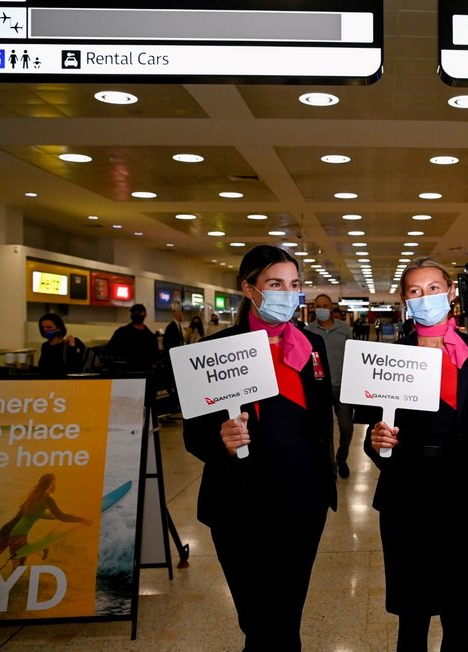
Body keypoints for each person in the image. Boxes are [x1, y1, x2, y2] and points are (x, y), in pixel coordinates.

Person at [360, 257, 468, 652]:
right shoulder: (391, 359)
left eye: (433, 288)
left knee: (458, 613)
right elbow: (373, 438)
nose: (425, 297)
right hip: (406, 496)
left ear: (450, 293)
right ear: (405, 301)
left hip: (462, 494)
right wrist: (379, 443)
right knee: (412, 616)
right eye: (415, 291)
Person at [182, 244, 336, 651]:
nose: (287, 292)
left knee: (287, 613)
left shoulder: (312, 347)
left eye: (294, 284)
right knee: (257, 618)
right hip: (240, 506)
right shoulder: (215, 352)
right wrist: (222, 442)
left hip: (303, 503)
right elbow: (193, 435)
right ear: (249, 288)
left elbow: (321, 423)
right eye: (275, 283)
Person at [0, 473, 91, 571]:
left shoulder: (32, 497)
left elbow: (39, 515)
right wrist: (82, 519)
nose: (55, 485)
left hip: (5, 530)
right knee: (17, 571)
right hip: (17, 537)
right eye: (54, 483)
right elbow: (62, 516)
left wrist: (43, 543)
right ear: (50, 485)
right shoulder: (48, 500)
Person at [305, 294, 356, 478]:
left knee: (346, 428)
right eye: (318, 305)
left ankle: (341, 458)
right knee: (326, 430)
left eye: (325, 305)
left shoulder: (344, 329)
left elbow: (355, 354)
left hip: (344, 387)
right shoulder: (308, 331)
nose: (322, 308)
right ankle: (331, 465)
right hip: (320, 389)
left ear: (331, 307)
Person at [102, 304, 160, 373]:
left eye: (139, 312)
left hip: (139, 373)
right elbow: (110, 351)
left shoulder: (150, 337)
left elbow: (154, 358)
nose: (136, 314)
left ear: (145, 314)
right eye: (134, 312)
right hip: (125, 372)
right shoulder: (150, 337)